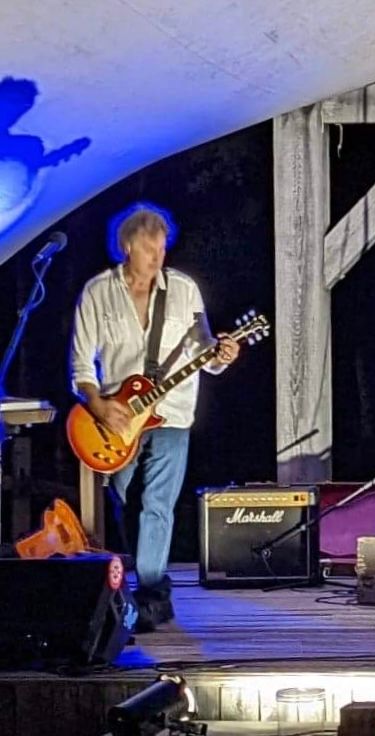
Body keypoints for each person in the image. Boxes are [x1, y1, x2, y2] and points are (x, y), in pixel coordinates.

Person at [69, 202, 239, 631]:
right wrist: (99, 406)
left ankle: (151, 592)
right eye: (149, 249)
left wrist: (221, 355)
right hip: (117, 418)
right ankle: (141, 590)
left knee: (158, 503)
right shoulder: (97, 292)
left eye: (162, 248)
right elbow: (81, 365)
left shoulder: (183, 289)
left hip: (172, 412)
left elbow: (204, 350)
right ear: (127, 246)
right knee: (126, 500)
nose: (157, 257)